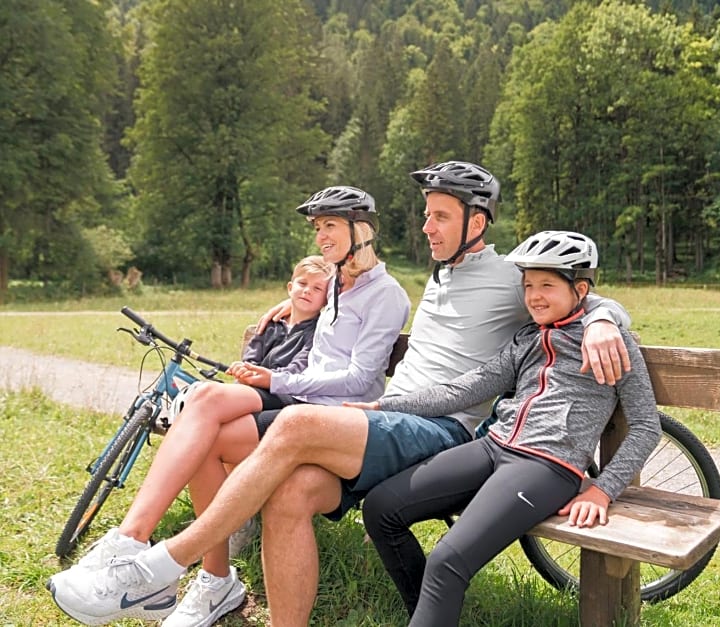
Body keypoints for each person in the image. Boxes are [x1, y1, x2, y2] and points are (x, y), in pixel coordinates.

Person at [46, 161, 632, 627]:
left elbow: (578, 290)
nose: (426, 227)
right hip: (394, 421)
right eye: (426, 215)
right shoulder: (440, 272)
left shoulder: (508, 275)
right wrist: (294, 304)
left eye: (440, 217)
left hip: (446, 431)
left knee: (297, 428)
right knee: (286, 489)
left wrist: (605, 318)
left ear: (477, 223)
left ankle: (158, 564)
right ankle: (213, 584)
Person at [48, 185, 410, 627]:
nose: (320, 237)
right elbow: (310, 293)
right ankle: (144, 545)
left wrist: (278, 377)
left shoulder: (386, 294)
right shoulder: (335, 281)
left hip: (332, 417)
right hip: (298, 398)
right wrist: (285, 304)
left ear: (361, 230)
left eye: (329, 226)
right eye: (318, 228)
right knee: (201, 405)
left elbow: (357, 378)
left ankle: (203, 574)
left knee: (208, 429)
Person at [355, 230, 662, 625]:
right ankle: (428, 614)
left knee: (448, 560)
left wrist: (603, 490)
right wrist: (383, 404)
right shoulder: (527, 338)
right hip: (493, 447)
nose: (534, 295)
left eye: (547, 285)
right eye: (528, 285)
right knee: (381, 508)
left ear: (580, 289)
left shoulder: (608, 341)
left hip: (545, 466)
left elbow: (645, 425)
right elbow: (462, 390)